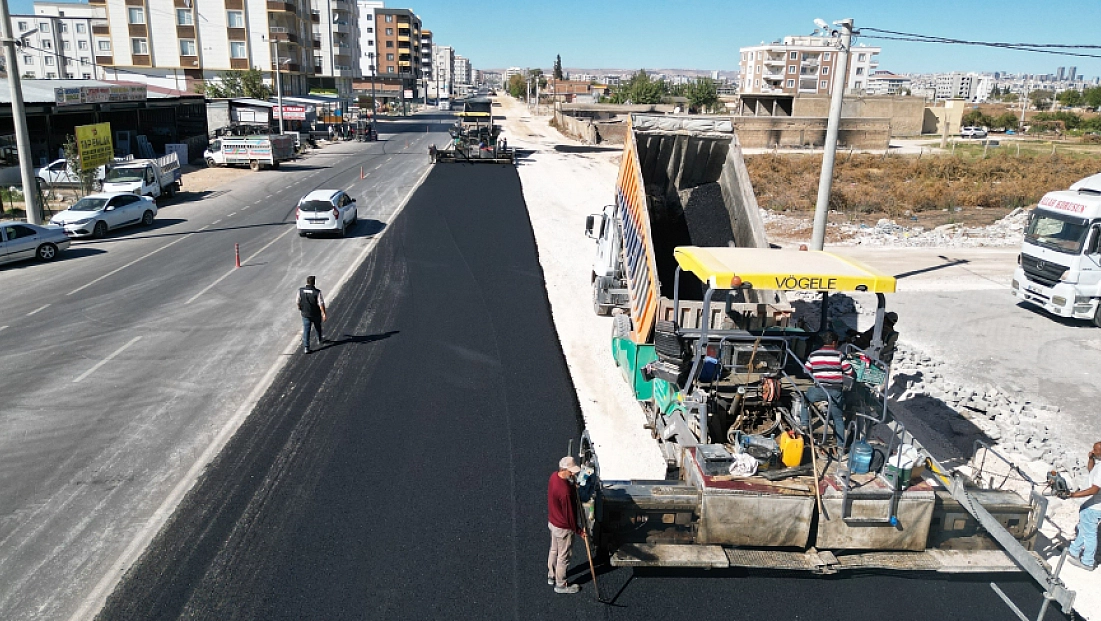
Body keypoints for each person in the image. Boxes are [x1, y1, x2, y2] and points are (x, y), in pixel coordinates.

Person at [801, 331, 853, 445]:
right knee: (838, 418)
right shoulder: (840, 355)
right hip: (835, 391)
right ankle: (840, 446)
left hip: (819, 390)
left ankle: (804, 423)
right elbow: (850, 372)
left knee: (804, 398)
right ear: (834, 342)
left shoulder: (813, 355)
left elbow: (805, 371)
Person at [547, 456, 585, 594]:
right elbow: (570, 516)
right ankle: (561, 585)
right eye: (571, 471)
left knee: (554, 550)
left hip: (553, 522)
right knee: (563, 556)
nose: (573, 474)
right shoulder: (565, 492)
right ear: (564, 469)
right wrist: (579, 531)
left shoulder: (553, 477)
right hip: (564, 528)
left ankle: (551, 575)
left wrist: (570, 485)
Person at [1067, 441, 1101, 571]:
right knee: (1083, 528)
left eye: (1096, 450)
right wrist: (1091, 458)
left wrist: (1073, 495)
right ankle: (1074, 551)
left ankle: (1087, 562)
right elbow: (1091, 471)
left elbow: (1094, 490)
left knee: (1090, 533)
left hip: (1094, 506)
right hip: (1092, 505)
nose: (1093, 450)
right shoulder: (1099, 464)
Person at [296, 275, 328, 354]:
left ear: (307, 282)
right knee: (318, 327)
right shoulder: (317, 292)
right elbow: (321, 304)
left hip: (305, 314)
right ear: (314, 282)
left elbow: (297, 301)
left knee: (306, 330)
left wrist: (300, 307)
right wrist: (324, 314)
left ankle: (306, 347)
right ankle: (319, 339)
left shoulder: (300, 290)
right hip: (315, 314)